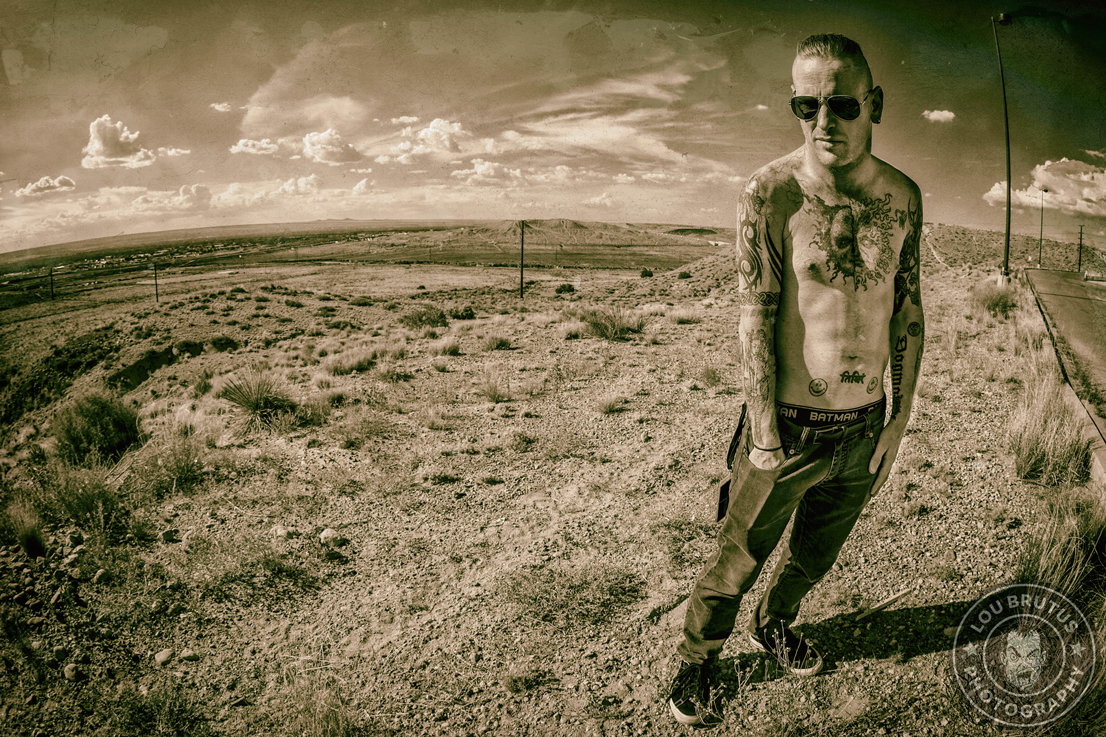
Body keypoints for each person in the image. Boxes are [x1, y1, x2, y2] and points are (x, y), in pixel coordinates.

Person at [668, 32, 925, 726]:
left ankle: (776, 623)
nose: (823, 121)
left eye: (841, 104)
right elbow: (755, 314)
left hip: (864, 424)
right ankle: (698, 657)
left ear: (875, 103)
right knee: (738, 557)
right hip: (787, 428)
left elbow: (907, 311)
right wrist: (761, 434)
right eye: (805, 106)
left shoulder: (904, 197)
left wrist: (897, 422)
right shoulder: (772, 192)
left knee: (814, 557)